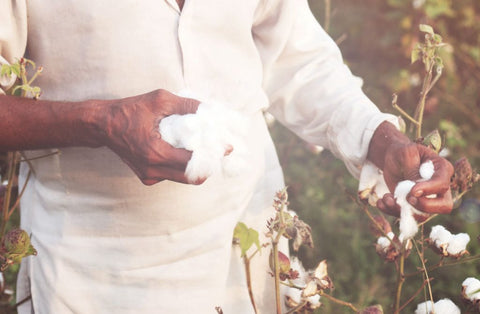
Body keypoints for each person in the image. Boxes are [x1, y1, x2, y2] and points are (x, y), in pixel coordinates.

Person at [0, 0, 453, 313]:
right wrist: (100, 122)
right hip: (97, 274)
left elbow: (299, 62)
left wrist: (381, 139)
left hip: (249, 248)